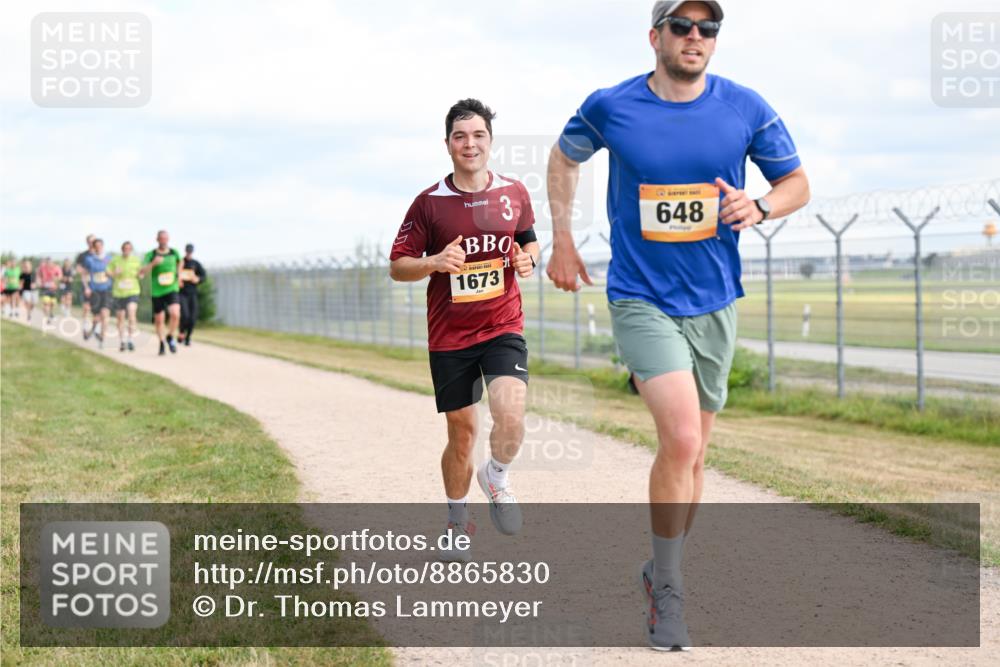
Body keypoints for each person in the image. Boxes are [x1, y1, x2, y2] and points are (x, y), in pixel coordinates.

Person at [546, 1, 810, 651]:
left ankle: (658, 568)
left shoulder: (744, 106)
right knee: (683, 437)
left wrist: (763, 203)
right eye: (683, 26)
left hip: (716, 300)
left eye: (708, 28)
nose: (696, 37)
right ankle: (669, 590)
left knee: (695, 458)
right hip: (640, 296)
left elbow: (797, 182)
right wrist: (560, 239)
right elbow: (562, 158)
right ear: (655, 36)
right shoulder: (612, 106)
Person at [389, 99, 540, 562]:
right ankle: (458, 522)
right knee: (462, 434)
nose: (469, 144)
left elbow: (529, 240)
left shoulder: (514, 192)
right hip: (450, 336)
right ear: (448, 144)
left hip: (501, 325)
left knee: (511, 413)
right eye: (460, 136)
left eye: (478, 135)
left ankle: (496, 476)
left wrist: (527, 259)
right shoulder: (429, 203)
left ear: (490, 142)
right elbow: (397, 266)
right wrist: (433, 262)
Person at [139, 230, 184, 355]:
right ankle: (162, 342)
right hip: (157, 291)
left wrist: (179, 275)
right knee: (159, 320)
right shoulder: (151, 254)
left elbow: (181, 262)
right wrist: (153, 263)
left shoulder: (174, 252)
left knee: (175, 314)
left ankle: (170, 336)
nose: (164, 240)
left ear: (168, 239)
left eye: (166, 238)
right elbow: (142, 271)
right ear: (157, 239)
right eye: (161, 238)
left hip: (171, 288)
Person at [108, 241, 141, 352]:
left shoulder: (136, 260)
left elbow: (141, 273)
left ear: (131, 250)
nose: (126, 250)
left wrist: (141, 274)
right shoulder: (115, 260)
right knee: (120, 318)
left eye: (129, 248)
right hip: (118, 293)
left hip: (133, 291)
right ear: (122, 249)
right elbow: (108, 273)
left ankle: (130, 339)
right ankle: (122, 341)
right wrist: (114, 273)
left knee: (131, 313)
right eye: (124, 248)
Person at [81, 239, 114, 348]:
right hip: (94, 290)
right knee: (96, 316)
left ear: (103, 246)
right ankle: (92, 329)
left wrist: (114, 274)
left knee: (105, 314)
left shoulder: (109, 259)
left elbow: (113, 273)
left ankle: (102, 339)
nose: (99, 247)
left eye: (100, 245)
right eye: (96, 246)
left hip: (106, 289)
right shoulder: (89, 260)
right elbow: (84, 275)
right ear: (93, 247)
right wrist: (86, 287)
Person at [178, 243, 206, 346]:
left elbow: (203, 276)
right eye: (187, 251)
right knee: (185, 315)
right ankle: (181, 332)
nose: (189, 253)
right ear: (185, 251)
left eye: (191, 251)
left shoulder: (196, 264)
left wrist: (198, 279)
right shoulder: (180, 262)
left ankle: (188, 337)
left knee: (193, 317)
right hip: (182, 293)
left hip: (192, 293)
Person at [75, 234, 96, 335]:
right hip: (87, 282)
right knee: (86, 306)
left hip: (99, 284)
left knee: (97, 308)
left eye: (94, 241)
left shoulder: (100, 254)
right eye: (90, 241)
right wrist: (87, 271)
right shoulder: (83, 255)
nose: (92, 243)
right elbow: (78, 268)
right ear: (87, 243)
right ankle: (85, 326)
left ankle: (96, 327)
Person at [37, 257, 63, 324]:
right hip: (45, 288)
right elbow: (38, 275)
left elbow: (60, 276)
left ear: (52, 262)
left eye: (50, 262)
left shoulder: (56, 268)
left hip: (53, 289)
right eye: (47, 262)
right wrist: (39, 281)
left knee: (52, 304)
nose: (48, 264)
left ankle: (51, 314)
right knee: (46, 303)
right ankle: (47, 318)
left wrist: (56, 278)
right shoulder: (42, 268)